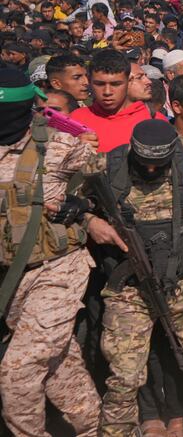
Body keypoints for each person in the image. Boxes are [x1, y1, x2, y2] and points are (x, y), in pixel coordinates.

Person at [80, 119, 183, 437]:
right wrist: (89, 220)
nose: (150, 172)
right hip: (130, 288)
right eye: (144, 164)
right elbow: (63, 198)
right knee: (124, 374)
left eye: (157, 165)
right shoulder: (108, 165)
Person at [0, 69, 102, 437]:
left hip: (58, 269)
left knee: (18, 371)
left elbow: (112, 182)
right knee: (59, 362)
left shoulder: (60, 143)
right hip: (12, 278)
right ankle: (95, 428)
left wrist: (86, 205)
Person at [70, 49, 166, 153]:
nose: (107, 92)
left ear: (129, 82)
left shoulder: (155, 122)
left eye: (116, 84)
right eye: (99, 84)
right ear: (89, 81)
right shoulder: (75, 119)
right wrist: (72, 149)